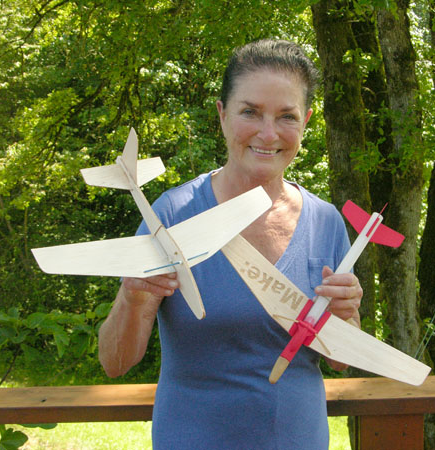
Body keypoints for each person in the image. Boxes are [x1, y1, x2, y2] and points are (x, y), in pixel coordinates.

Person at [98, 39, 363, 449]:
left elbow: (340, 359)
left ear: (306, 122)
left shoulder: (326, 221)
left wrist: (347, 314)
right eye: (250, 112)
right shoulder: (173, 214)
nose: (269, 133)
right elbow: (115, 363)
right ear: (222, 115)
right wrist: (133, 297)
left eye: (287, 116)